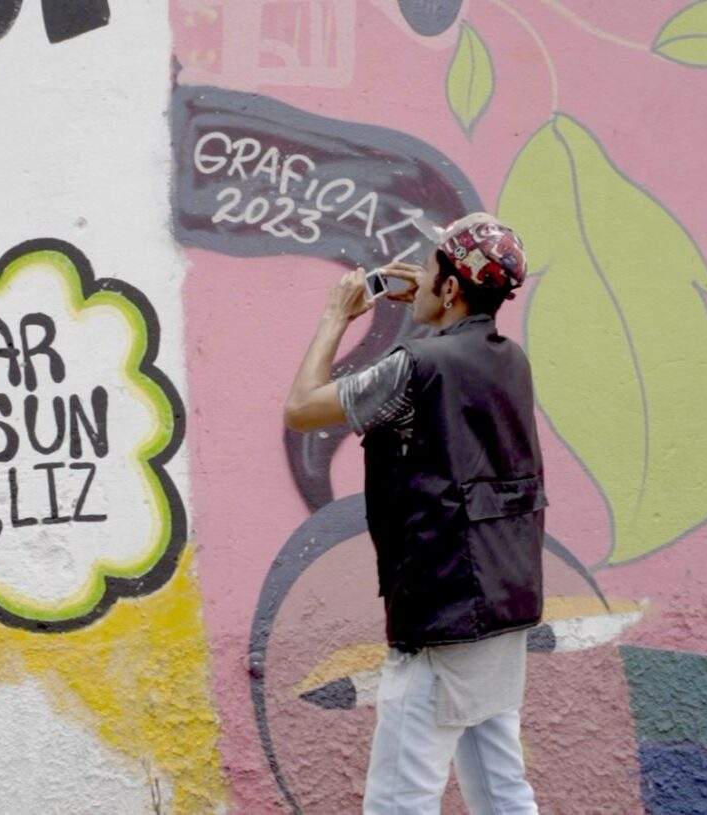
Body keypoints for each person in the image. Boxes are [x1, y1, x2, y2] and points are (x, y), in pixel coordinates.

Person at [283, 212, 545, 814]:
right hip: (503, 605)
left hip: (442, 620)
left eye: (429, 271)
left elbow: (301, 408)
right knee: (503, 794)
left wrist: (336, 316)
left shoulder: (415, 367)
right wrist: (427, 304)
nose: (419, 278)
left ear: (451, 289)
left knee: (398, 804)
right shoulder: (512, 361)